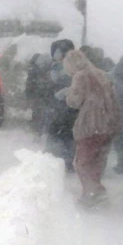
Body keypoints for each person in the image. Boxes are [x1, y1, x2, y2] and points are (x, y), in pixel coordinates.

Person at [62, 49, 121, 206]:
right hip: (108, 124)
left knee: (81, 162)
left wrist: (68, 93)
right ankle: (91, 194)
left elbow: (74, 101)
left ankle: (95, 193)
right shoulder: (100, 74)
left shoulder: (80, 75)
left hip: (91, 124)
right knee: (97, 161)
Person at [44, 39, 78, 171]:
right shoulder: (56, 69)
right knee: (63, 137)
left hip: (64, 110)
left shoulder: (70, 71)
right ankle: (61, 163)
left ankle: (61, 164)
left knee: (62, 136)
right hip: (62, 111)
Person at [24, 53, 55, 136]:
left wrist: (29, 96)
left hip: (37, 96)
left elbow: (29, 85)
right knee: (43, 114)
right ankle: (40, 132)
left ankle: (37, 132)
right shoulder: (43, 70)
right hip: (43, 96)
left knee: (37, 114)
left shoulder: (33, 70)